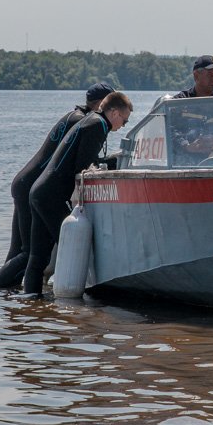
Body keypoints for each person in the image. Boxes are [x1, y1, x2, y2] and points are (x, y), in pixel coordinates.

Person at [0, 82, 115, 289]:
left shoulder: (73, 115)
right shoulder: (84, 121)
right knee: (28, 252)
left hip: (26, 183)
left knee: (20, 250)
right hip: (34, 186)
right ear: (102, 103)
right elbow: (77, 159)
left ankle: (8, 298)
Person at [18, 91, 133, 297]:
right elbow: (83, 167)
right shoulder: (98, 125)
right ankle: (73, 303)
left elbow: (83, 160)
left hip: (39, 192)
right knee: (72, 247)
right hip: (51, 196)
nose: (123, 125)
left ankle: (31, 305)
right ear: (114, 113)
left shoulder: (90, 121)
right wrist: (115, 161)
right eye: (124, 120)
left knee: (39, 256)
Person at [161, 55, 213, 165]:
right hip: (187, 165)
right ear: (196, 76)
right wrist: (186, 145)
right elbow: (168, 130)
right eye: (210, 75)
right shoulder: (179, 102)